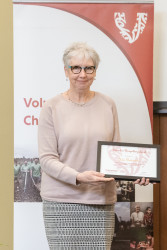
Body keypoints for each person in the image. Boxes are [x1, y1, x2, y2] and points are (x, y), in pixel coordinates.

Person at [38, 42, 149, 249]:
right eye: (76, 68)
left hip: (99, 200)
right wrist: (78, 176)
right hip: (61, 202)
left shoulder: (108, 104)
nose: (82, 74)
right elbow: (46, 159)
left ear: (95, 71)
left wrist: (136, 172)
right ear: (66, 70)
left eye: (89, 68)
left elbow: (116, 152)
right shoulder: (51, 107)